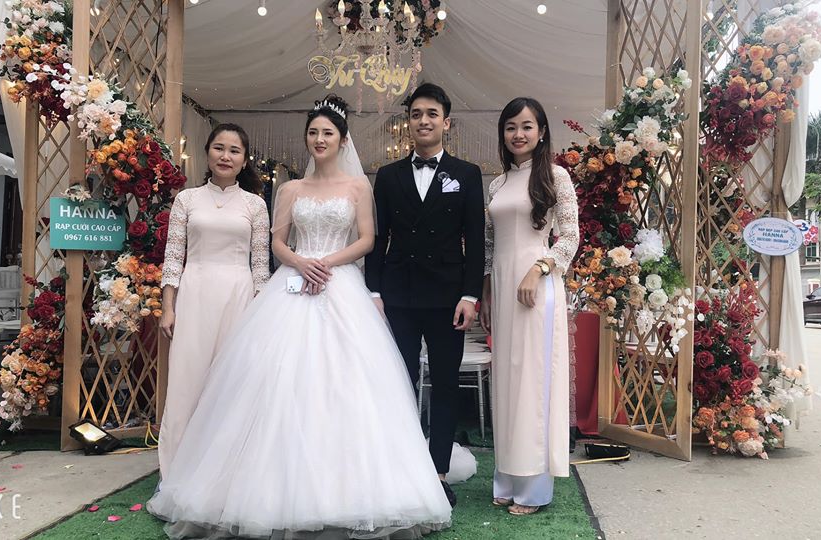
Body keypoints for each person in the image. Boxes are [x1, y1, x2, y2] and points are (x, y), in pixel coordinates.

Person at [147, 95, 451, 539]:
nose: (319, 139)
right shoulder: (289, 190)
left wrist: (326, 263)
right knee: (274, 379)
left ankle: (348, 488)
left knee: (346, 383)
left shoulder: (358, 186)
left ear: (342, 140)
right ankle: (259, 485)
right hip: (292, 284)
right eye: (313, 133)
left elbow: (368, 239)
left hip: (339, 283)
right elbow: (276, 242)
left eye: (328, 133)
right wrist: (300, 262)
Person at [365, 83, 485, 506]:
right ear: (408, 122)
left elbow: (476, 240)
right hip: (398, 295)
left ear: (446, 122)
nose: (423, 120)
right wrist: (373, 290)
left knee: (446, 384)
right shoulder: (388, 175)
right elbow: (378, 238)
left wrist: (470, 295)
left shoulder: (466, 174)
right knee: (400, 382)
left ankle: (437, 474)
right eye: (416, 114)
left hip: (448, 297)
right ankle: (401, 468)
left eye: (431, 114)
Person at [479, 97, 579, 516]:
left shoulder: (556, 176)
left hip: (536, 287)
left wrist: (538, 269)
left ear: (541, 132)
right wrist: (486, 290)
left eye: (526, 126)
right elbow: (489, 245)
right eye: (510, 127)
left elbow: (570, 237)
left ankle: (534, 487)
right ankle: (507, 477)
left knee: (532, 382)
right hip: (502, 286)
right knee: (506, 380)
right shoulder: (497, 184)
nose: (518, 134)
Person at [156, 124, 270, 478]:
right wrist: (168, 307)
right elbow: (173, 257)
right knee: (186, 381)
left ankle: (225, 473)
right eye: (219, 148)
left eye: (235, 151)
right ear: (207, 153)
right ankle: (175, 472)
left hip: (239, 296)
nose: (226, 156)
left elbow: (260, 265)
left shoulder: (255, 204)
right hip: (195, 292)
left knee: (231, 383)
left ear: (244, 160)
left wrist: (260, 313)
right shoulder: (187, 199)